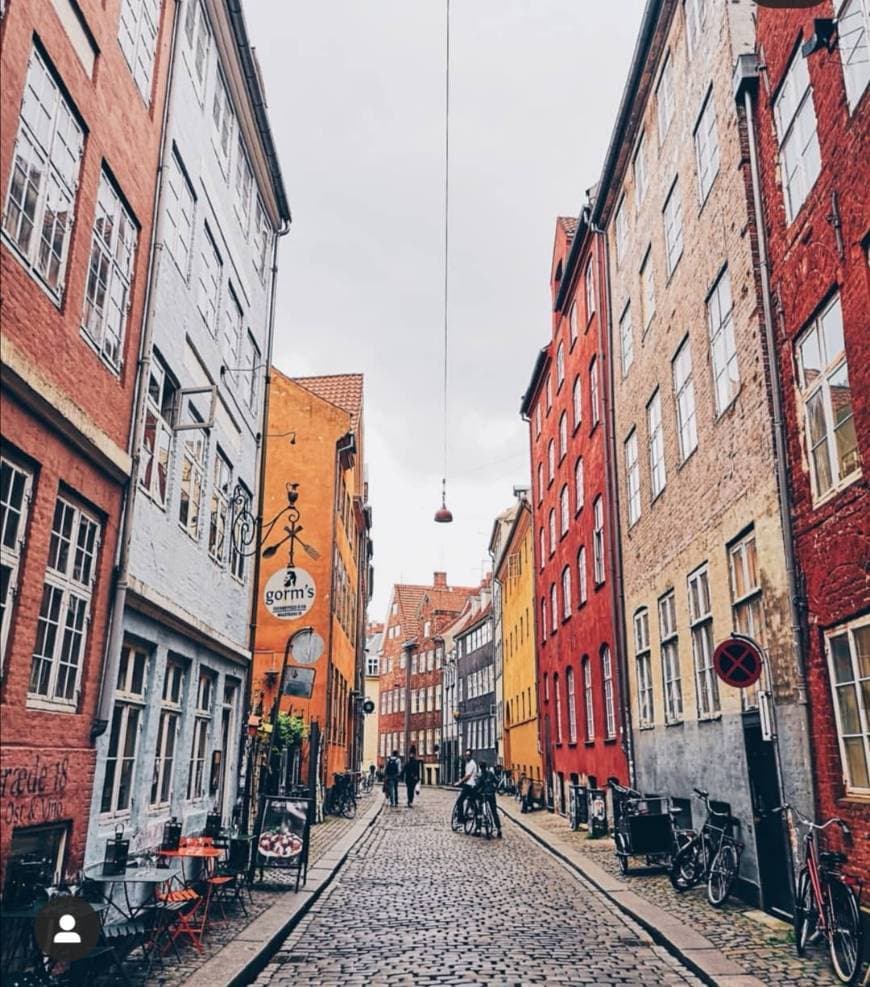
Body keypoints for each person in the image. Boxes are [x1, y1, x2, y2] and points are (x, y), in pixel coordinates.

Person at [455, 748, 479, 822]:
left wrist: (460, 782)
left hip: (469, 785)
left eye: (468, 755)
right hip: (469, 785)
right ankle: (477, 815)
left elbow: (468, 776)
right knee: (472, 802)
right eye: (466, 755)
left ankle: (461, 818)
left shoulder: (472, 764)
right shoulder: (467, 763)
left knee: (459, 801)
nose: (467, 757)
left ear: (471, 756)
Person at [479, 762, 503, 837]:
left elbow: (478, 785)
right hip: (491, 794)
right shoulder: (491, 773)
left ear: (481, 768)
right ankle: (499, 829)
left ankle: (478, 828)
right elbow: (497, 781)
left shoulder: (481, 776)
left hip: (485, 795)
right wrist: (496, 788)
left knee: (480, 810)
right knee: (494, 812)